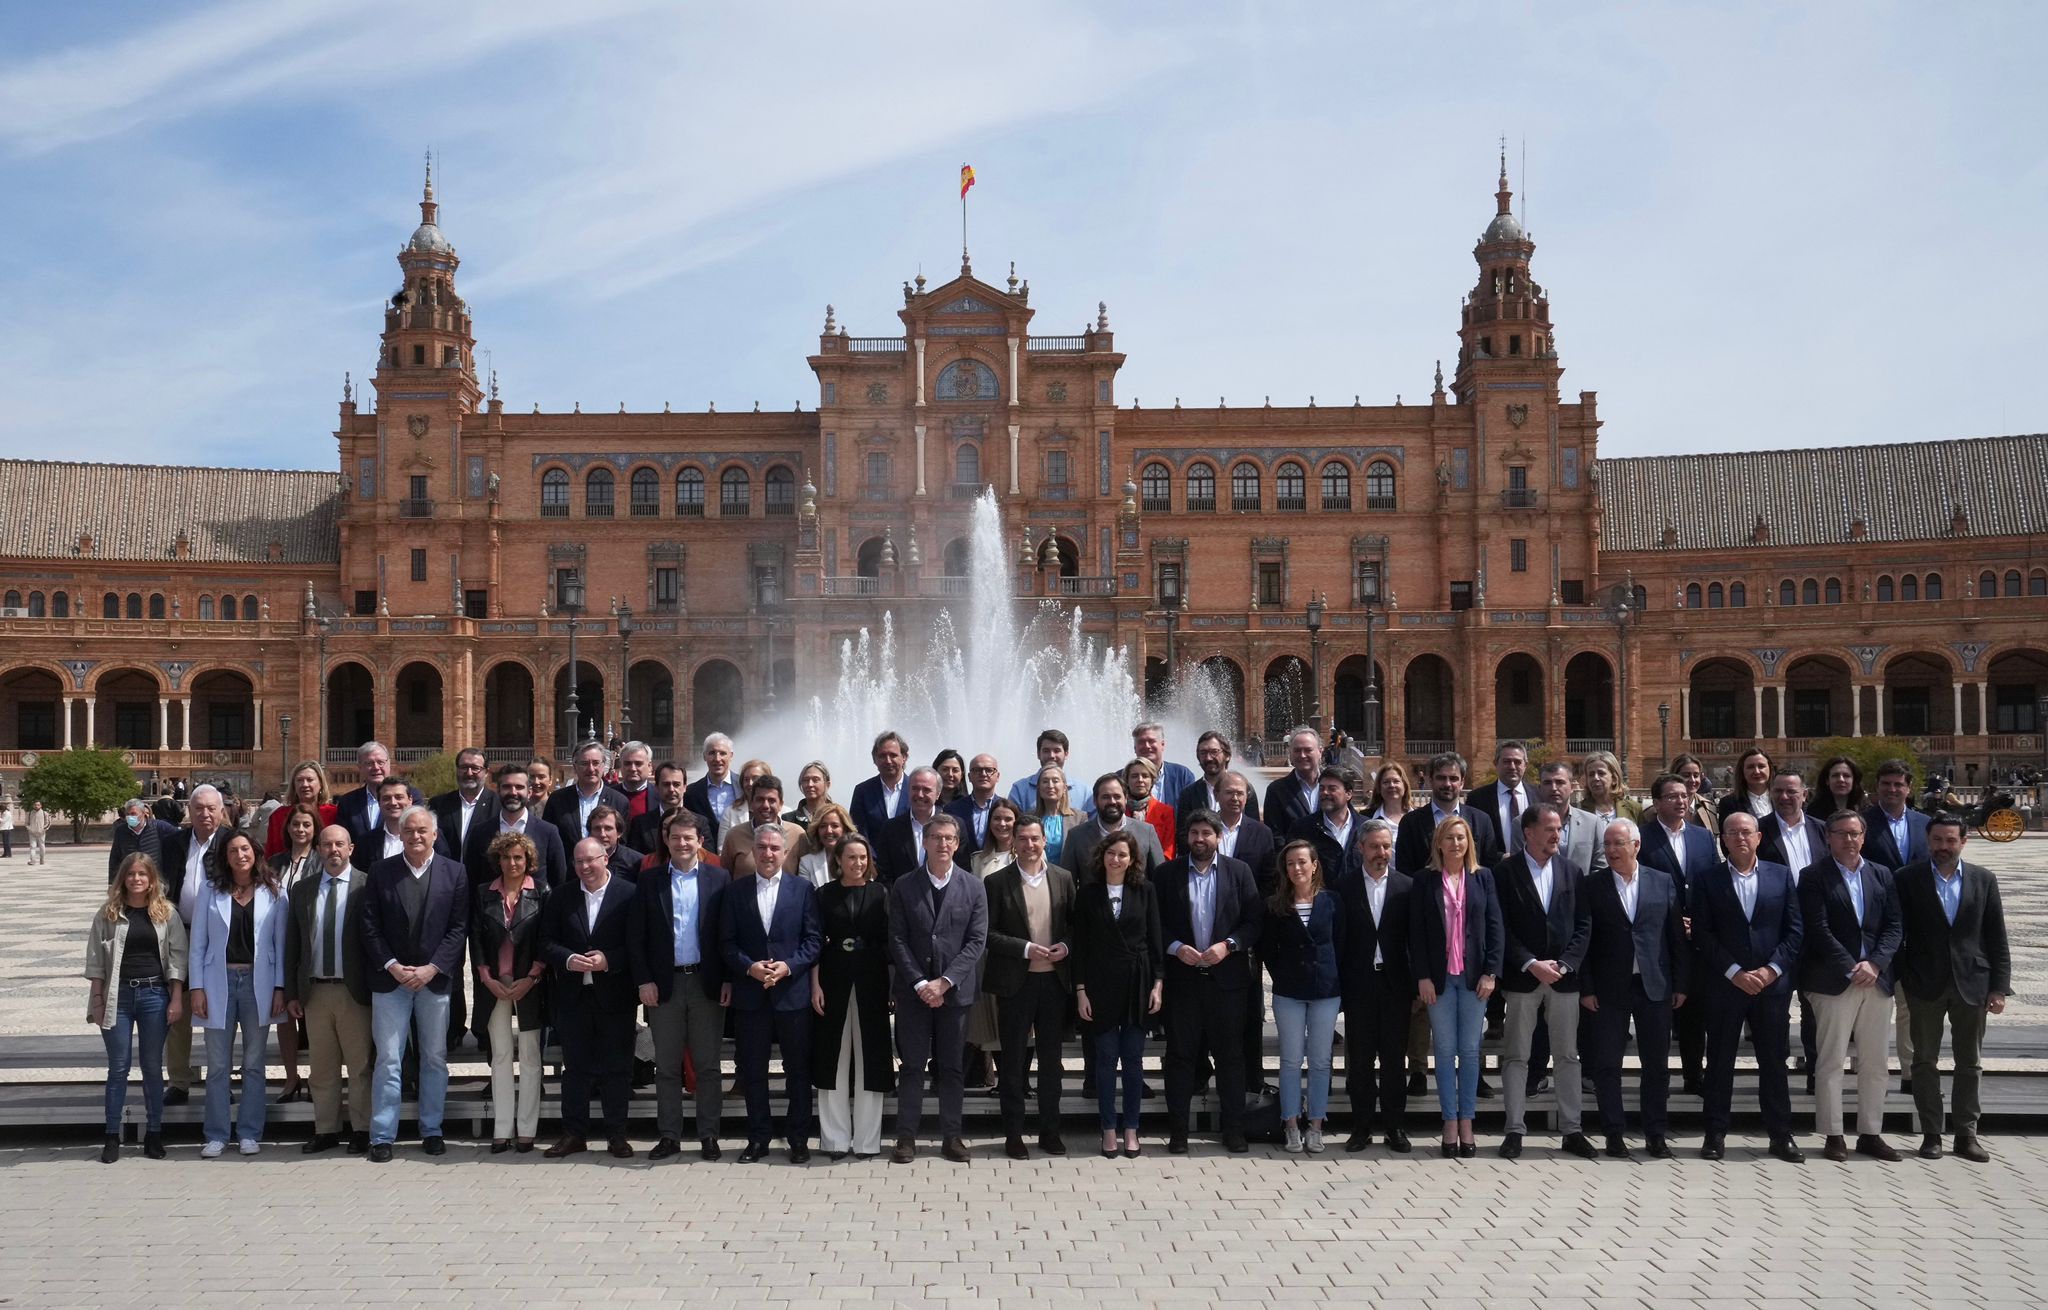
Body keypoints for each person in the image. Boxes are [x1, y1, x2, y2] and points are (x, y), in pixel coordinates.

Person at [1691, 811, 1805, 1162]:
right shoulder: (1707, 879)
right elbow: (1702, 933)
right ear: (1722, 840)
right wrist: (1735, 972)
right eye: (1732, 833)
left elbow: (1794, 930)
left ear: (1758, 838)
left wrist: (1771, 971)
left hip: (1770, 987)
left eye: (1746, 832)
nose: (1740, 838)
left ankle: (1780, 1135)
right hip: (1726, 985)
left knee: (1773, 1061)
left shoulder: (1781, 876)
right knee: (1720, 1061)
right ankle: (1715, 1134)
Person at [1895, 815, 2009, 1161]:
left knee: (1969, 1062)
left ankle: (1966, 1134)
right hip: (1924, 983)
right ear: (1928, 841)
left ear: (1963, 841)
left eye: (1950, 841)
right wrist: (1904, 975)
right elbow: (1895, 931)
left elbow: (1996, 936)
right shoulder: (1907, 878)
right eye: (1937, 841)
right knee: (1924, 1061)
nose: (1943, 847)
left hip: (1972, 983)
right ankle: (1931, 1133)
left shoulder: (1983, 879)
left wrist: (1999, 987)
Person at [360, 805, 468, 1162]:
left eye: (423, 830)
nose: (417, 836)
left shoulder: (454, 873)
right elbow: (369, 926)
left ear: (435, 834)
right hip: (390, 981)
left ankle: (432, 1130)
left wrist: (432, 969)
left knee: (434, 1058)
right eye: (410, 831)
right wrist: (392, 966)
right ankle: (382, 1135)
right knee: (389, 1059)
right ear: (401, 835)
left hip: (433, 983)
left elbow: (457, 929)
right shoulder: (381, 872)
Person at [1155, 809, 1262, 1154]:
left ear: (1218, 838)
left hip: (1226, 982)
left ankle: (1233, 1129)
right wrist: (1174, 947)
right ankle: (1178, 1131)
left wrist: (1228, 946)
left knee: (1231, 1057)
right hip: (1183, 981)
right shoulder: (1166, 874)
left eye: (1207, 833)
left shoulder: (1239, 872)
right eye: (1194, 833)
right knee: (1181, 1057)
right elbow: (1154, 923)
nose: (1200, 839)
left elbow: (1252, 922)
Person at [1799, 811, 1903, 1162]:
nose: (1849, 840)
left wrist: (1875, 963)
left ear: (1864, 836)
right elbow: (1817, 928)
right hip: (1832, 982)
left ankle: (1871, 1133)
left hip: (1876, 980)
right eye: (1841, 833)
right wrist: (1850, 966)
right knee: (1830, 1061)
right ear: (1828, 837)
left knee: (1875, 1063)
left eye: (1855, 833)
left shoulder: (1881, 874)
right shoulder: (1813, 876)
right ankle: (1833, 1134)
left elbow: (1893, 926)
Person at [1494, 803, 1596, 1160]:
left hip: (1564, 981)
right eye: (1550, 829)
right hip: (1524, 979)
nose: (1557, 835)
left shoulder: (1572, 871)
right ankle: (1514, 1130)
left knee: (1567, 1056)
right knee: (1517, 1056)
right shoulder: (1505, 873)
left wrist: (1565, 965)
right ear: (1529, 833)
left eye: (1559, 829)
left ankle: (1572, 1130)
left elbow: (1584, 924)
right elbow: (1500, 927)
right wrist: (1531, 963)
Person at [1581, 819, 1688, 1159]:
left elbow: (1675, 938)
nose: (1611, 850)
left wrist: (1681, 983)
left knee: (1655, 1064)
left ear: (1636, 845)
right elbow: (1582, 941)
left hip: (1654, 985)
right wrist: (1586, 988)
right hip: (1608, 988)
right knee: (1607, 1064)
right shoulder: (1592, 885)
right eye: (1607, 845)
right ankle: (1614, 1133)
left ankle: (1655, 1133)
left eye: (1618, 844)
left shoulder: (1663, 882)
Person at [886, 814, 987, 1163]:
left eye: (949, 838)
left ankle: (952, 1137)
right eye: (936, 838)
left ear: (957, 844)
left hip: (955, 993)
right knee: (912, 1065)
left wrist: (944, 982)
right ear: (924, 842)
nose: (943, 844)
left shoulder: (973, 886)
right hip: (913, 993)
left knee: (951, 1067)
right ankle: (906, 1138)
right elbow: (896, 939)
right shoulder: (904, 885)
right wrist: (919, 982)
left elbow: (976, 941)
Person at [631, 809, 730, 1161]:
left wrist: (728, 980)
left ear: (700, 842)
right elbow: (637, 938)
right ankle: (669, 1135)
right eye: (676, 838)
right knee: (668, 1067)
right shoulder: (650, 880)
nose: (682, 843)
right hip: (664, 986)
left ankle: (709, 1135)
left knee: (708, 1066)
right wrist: (644, 981)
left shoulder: (719, 879)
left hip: (706, 984)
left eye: (689, 838)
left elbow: (726, 936)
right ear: (667, 841)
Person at [721, 825, 822, 1163]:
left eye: (774, 849)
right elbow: (726, 943)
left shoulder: (803, 889)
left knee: (798, 1072)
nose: (767, 854)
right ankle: (758, 1139)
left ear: (784, 853)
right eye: (761, 847)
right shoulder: (735, 892)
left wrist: (788, 967)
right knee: (753, 1072)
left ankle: (798, 1140)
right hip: (751, 996)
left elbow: (813, 941)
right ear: (753, 851)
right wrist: (749, 967)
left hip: (791, 995)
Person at [537, 837, 639, 1159]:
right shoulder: (561, 897)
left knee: (617, 1069)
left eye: (590, 860)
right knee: (575, 1070)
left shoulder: (629, 894)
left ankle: (617, 1135)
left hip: (615, 995)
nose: (584, 867)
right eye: (578, 862)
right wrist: (567, 959)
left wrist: (610, 960)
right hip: (573, 996)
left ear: (605, 858)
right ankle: (574, 1134)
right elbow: (545, 942)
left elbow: (638, 944)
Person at [189, 830, 288, 1157]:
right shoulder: (210, 890)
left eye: (245, 849)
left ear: (255, 852)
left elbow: (281, 945)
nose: (240, 855)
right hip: (219, 982)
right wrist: (197, 987)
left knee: (254, 1063)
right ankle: (216, 1134)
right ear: (225, 857)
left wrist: (279, 987)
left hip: (258, 984)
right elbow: (198, 944)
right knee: (217, 1065)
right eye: (233, 850)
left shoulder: (274, 891)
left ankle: (249, 1132)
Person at [1409, 815, 1503, 1159]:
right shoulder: (1425, 880)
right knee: (1445, 1053)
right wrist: (1422, 977)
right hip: (1439, 980)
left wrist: (1491, 972)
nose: (1456, 844)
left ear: (1469, 843)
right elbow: (1416, 934)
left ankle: (1468, 1121)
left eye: (1461, 838)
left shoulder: (1483, 878)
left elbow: (1495, 928)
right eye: (1449, 838)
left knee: (1471, 1050)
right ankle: (1449, 1121)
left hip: (1475, 978)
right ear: (1439, 842)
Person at [983, 813, 1075, 1158]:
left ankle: (1050, 1132)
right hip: (1015, 984)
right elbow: (988, 934)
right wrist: (1023, 949)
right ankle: (1014, 1135)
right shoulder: (997, 882)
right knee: (1013, 1064)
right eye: (1023, 839)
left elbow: (1075, 927)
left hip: (1054, 982)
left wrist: (1065, 946)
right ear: (1013, 843)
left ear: (1044, 840)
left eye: (1035, 838)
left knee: (1051, 1063)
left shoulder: (1063, 878)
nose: (1030, 845)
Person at [85, 854, 188, 1162]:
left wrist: (176, 997)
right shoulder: (109, 913)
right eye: (131, 874)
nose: (137, 879)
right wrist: (98, 1001)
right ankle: (112, 1136)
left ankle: (154, 1134)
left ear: (152, 878)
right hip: (119, 996)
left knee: (153, 1067)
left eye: (143, 874)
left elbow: (178, 959)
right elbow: (95, 963)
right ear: (123, 879)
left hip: (154, 995)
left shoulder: (166, 913)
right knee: (118, 1068)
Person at [282, 825, 373, 1156]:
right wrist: (292, 992)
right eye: (327, 845)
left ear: (351, 848)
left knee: (360, 1065)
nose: (333, 850)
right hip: (316, 992)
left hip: (354, 991)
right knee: (322, 1067)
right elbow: (293, 944)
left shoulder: (366, 885)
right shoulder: (303, 890)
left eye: (339, 844)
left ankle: (362, 1129)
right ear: (318, 849)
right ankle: (326, 1129)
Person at [1072, 830, 1163, 1159]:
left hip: (1138, 983)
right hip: (1099, 985)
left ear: (1132, 859)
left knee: (1134, 1060)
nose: (1116, 859)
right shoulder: (1088, 894)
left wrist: (1158, 984)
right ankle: (1108, 1129)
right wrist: (1080, 991)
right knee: (1106, 1059)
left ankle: (1132, 1129)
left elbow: (1155, 941)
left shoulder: (1146, 890)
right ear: (1102, 856)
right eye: (1111, 854)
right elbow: (1079, 946)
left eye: (1123, 854)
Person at [1335, 818, 1414, 1152]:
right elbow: (1339, 940)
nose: (1381, 852)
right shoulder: (1343, 887)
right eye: (1374, 846)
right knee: (1361, 1061)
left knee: (1395, 1062)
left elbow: (1415, 939)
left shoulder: (1408, 886)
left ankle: (1395, 1127)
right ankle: (1361, 1127)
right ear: (1360, 849)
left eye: (1386, 846)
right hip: (1359, 985)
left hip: (1396, 985)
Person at [810, 832, 891, 1160]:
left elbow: (891, 941)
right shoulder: (823, 895)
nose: (858, 863)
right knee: (833, 1057)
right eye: (851, 857)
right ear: (838, 861)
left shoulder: (881, 893)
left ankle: (867, 1142)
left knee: (871, 1057)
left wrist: (893, 986)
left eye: (863, 857)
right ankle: (835, 1140)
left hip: (872, 978)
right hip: (833, 978)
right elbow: (814, 941)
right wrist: (814, 985)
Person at [1264, 839, 1345, 1154]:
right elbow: (1269, 950)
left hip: (1325, 990)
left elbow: (1341, 944)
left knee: (1321, 1060)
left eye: (1302, 862)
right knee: (1290, 1060)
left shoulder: (1333, 901)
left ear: (1314, 866)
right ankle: (1291, 1124)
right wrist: (1284, 974)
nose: (1297, 868)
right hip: (1290, 992)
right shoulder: (1275, 905)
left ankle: (1316, 1124)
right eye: (1291, 863)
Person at [471, 831, 548, 1153]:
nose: (512, 862)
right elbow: (474, 939)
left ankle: (527, 1130)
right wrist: (486, 978)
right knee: (500, 1057)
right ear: (498, 860)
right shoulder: (482, 893)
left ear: (528, 860)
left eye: (518, 857)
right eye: (506, 857)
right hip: (493, 986)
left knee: (530, 1057)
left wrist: (532, 977)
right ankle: (502, 1129)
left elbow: (546, 940)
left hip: (529, 985)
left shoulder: (542, 893)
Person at [160, 784, 230, 1104]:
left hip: (221, 938)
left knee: (220, 1010)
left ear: (220, 810)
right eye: (198, 808)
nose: (204, 814)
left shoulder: (233, 843)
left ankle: (222, 1080)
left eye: (210, 808)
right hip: (181, 933)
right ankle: (179, 1080)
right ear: (189, 809)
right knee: (179, 1008)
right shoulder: (173, 842)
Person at [268, 802, 325, 1102]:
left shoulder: (321, 860)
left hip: (310, 946)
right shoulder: (274, 862)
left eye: (306, 825)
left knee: (313, 1016)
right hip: (278, 945)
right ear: (287, 828)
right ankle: (291, 1079)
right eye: (295, 825)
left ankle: (319, 1079)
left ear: (315, 829)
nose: (300, 830)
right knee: (283, 1014)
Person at [1394, 752, 1502, 874]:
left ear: (1462, 783)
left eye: (1453, 778)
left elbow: (1489, 867)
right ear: (1430, 780)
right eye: (1441, 778)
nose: (1447, 784)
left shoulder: (1481, 820)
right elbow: (1404, 870)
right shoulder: (1411, 822)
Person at [1061, 773, 1166, 883]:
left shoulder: (1146, 832)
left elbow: (1160, 878)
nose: (1112, 801)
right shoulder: (1077, 836)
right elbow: (1067, 885)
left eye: (1117, 796)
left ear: (1125, 799)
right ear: (1095, 801)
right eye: (1105, 797)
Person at [484, 763, 569, 889]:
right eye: (507, 787)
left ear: (529, 792)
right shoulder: (481, 832)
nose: (513, 792)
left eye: (519, 787)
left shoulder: (548, 832)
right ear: (498, 791)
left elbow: (559, 880)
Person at [544, 741, 629, 855]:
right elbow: (548, 841)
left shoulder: (619, 801)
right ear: (575, 766)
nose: (591, 769)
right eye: (584, 763)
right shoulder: (557, 800)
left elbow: (623, 844)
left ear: (604, 766)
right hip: (568, 870)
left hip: (607, 869)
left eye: (596, 763)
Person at [334, 742, 419, 852]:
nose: (375, 767)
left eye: (380, 762)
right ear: (360, 767)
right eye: (369, 763)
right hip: (361, 866)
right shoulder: (347, 802)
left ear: (389, 764)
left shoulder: (410, 796)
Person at [1177, 730, 1261, 839]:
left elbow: (1253, 831)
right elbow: (1183, 836)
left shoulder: (1245, 790)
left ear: (1227, 755)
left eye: (1214, 752)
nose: (1208, 758)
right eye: (1203, 753)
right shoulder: (1188, 794)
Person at [720, 775, 806, 878]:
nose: (765, 805)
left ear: (781, 804)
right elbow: (725, 876)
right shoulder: (734, 836)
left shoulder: (797, 835)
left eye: (771, 800)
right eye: (760, 799)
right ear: (751, 804)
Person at [1288, 766, 1361, 883]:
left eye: (1332, 789)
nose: (1325, 793)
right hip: (1320, 898)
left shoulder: (1365, 827)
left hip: (1357, 899)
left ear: (1348, 793)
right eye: (1321, 788)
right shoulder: (1303, 828)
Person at [429, 748, 499, 867]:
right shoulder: (438, 804)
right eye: (464, 767)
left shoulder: (498, 805)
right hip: (447, 878)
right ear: (457, 770)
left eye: (475, 768)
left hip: (484, 881)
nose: (469, 773)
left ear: (486, 772)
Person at [1537, 761, 1609, 877]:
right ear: (1539, 788)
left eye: (1560, 782)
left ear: (1572, 787)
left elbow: (1600, 868)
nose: (1554, 788)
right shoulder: (1523, 823)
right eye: (1547, 783)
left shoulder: (1592, 823)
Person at [875, 766, 945, 883]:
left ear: (938, 794)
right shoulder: (891, 829)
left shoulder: (953, 827)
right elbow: (884, 874)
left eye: (926, 790)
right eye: (915, 788)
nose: (920, 794)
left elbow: (961, 872)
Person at [1469, 740, 1533, 857]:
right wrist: (1500, 858)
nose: (1512, 767)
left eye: (1517, 762)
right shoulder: (1477, 799)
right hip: (1495, 870)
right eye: (1506, 761)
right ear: (1495, 763)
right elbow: (1473, 840)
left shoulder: (1539, 796)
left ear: (1525, 765)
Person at [1262, 726, 1325, 837]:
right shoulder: (1277, 790)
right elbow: (1275, 835)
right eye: (1297, 750)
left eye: (1308, 750)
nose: (1302, 755)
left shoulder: (1334, 786)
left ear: (1320, 752)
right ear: (1290, 753)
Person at [849, 730, 912, 839]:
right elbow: (858, 832)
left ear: (904, 757)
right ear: (875, 759)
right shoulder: (862, 791)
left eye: (893, 755)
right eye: (882, 756)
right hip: (873, 855)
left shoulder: (917, 789)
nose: (888, 761)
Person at [682, 733, 739, 849]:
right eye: (712, 753)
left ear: (731, 756)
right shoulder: (691, 793)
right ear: (704, 756)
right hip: (705, 856)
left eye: (723, 753)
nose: (717, 759)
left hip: (739, 854)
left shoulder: (744, 787)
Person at [351, 775, 417, 871]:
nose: (393, 802)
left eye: (399, 797)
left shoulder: (428, 836)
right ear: (379, 803)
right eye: (386, 798)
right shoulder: (365, 842)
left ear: (410, 800)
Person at [627, 761, 691, 857]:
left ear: (685, 787)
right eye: (666, 784)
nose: (671, 789)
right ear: (656, 788)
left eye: (676, 784)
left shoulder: (700, 822)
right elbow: (634, 860)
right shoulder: (640, 824)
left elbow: (706, 860)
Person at [110, 797, 179, 885]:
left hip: (155, 881)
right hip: (131, 881)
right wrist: (111, 883)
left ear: (143, 813)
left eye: (133, 814)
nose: (130, 817)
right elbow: (115, 857)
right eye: (128, 814)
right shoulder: (121, 831)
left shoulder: (159, 827)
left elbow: (180, 836)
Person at [945, 753, 1004, 855]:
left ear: (998, 776)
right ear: (969, 777)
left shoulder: (1007, 810)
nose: (983, 774)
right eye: (977, 770)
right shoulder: (952, 810)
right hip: (962, 868)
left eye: (989, 770)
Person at [1130, 722, 1196, 811]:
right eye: (1141, 742)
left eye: (1151, 741)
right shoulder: (1120, 779)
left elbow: (1193, 812)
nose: (1147, 746)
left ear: (1162, 745)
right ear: (1135, 748)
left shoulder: (1182, 775)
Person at [1121, 757, 1178, 861]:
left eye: (1145, 776)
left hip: (1156, 871)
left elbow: (1169, 851)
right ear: (1127, 781)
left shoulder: (1166, 812)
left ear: (1152, 780)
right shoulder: (1119, 811)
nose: (1140, 780)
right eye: (1134, 776)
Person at [1006, 729, 1074, 812]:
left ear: (1066, 754)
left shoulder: (1084, 793)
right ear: (1038, 754)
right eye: (1046, 751)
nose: (1051, 755)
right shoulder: (1019, 789)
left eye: (1056, 751)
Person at [1030, 765, 1084, 867]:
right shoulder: (1029, 818)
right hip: (1037, 877)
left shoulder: (1079, 818)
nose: (1050, 785)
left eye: (1055, 781)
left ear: (1064, 788)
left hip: (1068, 878)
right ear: (1038, 788)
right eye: (1045, 781)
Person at [1715, 747, 1777, 831]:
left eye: (1761, 766)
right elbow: (1727, 840)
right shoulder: (1729, 803)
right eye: (1750, 767)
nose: (1757, 771)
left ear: (1770, 769)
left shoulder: (1781, 799)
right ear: (1742, 771)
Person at [1578, 750, 1643, 827]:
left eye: (1601, 773)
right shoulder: (1579, 809)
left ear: (1614, 778)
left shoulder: (1633, 809)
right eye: (1591, 774)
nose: (1595, 778)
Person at [796, 803, 855, 886]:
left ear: (845, 829)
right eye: (823, 826)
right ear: (817, 831)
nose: (829, 831)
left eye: (835, 826)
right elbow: (804, 896)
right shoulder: (807, 863)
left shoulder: (859, 859)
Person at [968, 799, 1021, 877]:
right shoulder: (977, 860)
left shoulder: (1028, 854)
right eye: (997, 818)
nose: (1002, 824)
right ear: (990, 822)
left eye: (1008, 819)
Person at [1670, 752, 1718, 830]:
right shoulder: (1661, 808)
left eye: (1696, 776)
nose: (1692, 780)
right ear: (1674, 776)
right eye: (1686, 775)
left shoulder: (1709, 808)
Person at [1811, 755, 1865, 821]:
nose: (1841, 779)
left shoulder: (1865, 810)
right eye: (1835, 775)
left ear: (1854, 780)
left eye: (1846, 776)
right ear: (1827, 781)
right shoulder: (1814, 811)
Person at [613, 741, 657, 821]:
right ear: (621, 765)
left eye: (638, 764)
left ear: (649, 766)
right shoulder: (608, 796)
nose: (633, 769)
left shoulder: (660, 796)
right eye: (627, 764)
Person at [784, 761, 833, 828]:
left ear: (827, 785)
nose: (810, 784)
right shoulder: (788, 819)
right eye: (806, 780)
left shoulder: (838, 817)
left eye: (815, 780)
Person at [26, 799, 50, 864]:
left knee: (42, 846)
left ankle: (42, 859)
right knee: (32, 846)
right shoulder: (30, 813)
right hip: (32, 833)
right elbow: (26, 823)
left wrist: (43, 829)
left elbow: (48, 822)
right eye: (35, 805)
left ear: (41, 806)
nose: (37, 806)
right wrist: (29, 829)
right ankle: (32, 860)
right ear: (33, 806)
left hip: (41, 833)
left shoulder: (44, 813)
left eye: (38, 805)